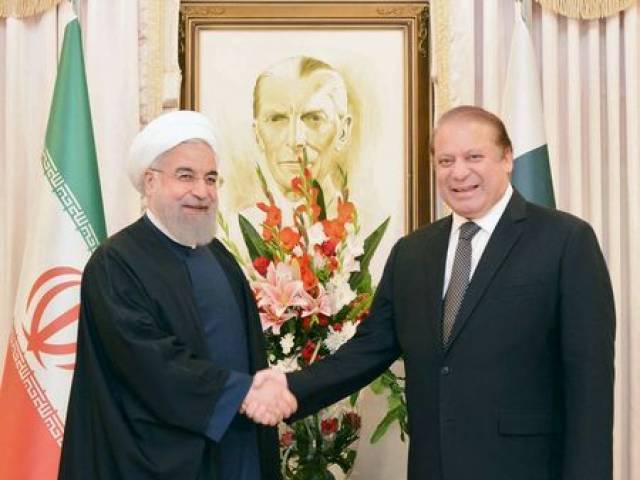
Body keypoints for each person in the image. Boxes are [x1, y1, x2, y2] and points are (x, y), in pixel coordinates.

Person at [246, 105, 616, 480]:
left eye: (474, 157)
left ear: (507, 159)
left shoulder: (565, 241)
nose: (459, 172)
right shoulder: (412, 253)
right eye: (445, 160)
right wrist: (289, 387)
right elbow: (367, 351)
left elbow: (590, 384)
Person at [58, 110, 296, 480]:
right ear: (150, 182)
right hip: (156, 461)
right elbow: (151, 364)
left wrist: (261, 390)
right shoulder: (115, 263)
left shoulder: (220, 258)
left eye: (210, 178)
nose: (201, 191)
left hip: (236, 450)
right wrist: (242, 394)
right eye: (185, 176)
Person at [252, 55, 353, 199]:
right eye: (277, 119)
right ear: (257, 135)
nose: (295, 141)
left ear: (343, 132)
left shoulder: (361, 220)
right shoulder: (236, 220)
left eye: (314, 118)